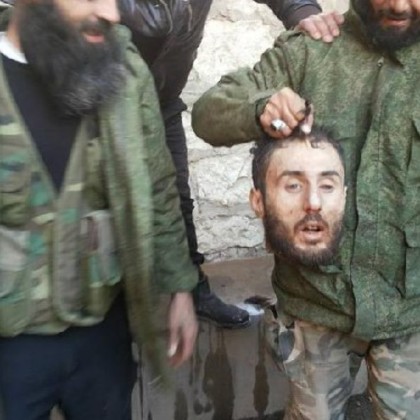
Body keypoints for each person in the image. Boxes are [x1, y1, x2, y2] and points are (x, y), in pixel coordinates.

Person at [192, 0, 420, 417]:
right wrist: (262, 107)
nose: (399, 5)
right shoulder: (310, 50)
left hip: (411, 311)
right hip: (316, 306)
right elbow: (208, 113)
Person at [0, 0, 198, 419]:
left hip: (102, 334)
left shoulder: (123, 71)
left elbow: (157, 184)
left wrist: (180, 288)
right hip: (10, 345)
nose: (112, 13)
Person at [117, 0, 344, 329]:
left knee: (176, 198)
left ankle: (193, 292)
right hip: (101, 101)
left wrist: (304, 14)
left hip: (160, 103)